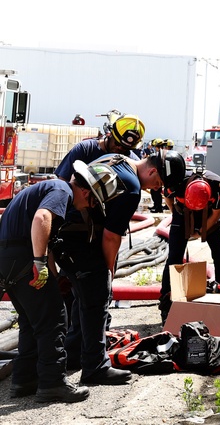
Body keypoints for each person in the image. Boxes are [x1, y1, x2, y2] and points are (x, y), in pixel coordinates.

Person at [54, 150, 184, 385]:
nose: (156, 189)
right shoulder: (132, 187)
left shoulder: (116, 159)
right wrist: (108, 272)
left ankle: (72, 356)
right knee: (96, 299)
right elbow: (111, 237)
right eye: (158, 183)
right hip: (79, 241)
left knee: (79, 298)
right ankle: (95, 368)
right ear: (152, 170)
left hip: (66, 235)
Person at [0, 163, 121, 403]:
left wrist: (53, 275)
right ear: (86, 192)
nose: (89, 207)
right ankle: (53, 383)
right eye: (94, 202)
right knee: (55, 318)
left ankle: (25, 379)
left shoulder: (48, 189)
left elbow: (47, 237)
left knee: (30, 319)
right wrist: (39, 264)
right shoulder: (62, 190)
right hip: (23, 259)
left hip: (9, 260)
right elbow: (41, 218)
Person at [158, 165, 220, 321]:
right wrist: (179, 216)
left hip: (210, 216)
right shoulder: (176, 182)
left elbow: (216, 215)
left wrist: (200, 231)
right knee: (174, 259)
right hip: (182, 213)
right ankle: (166, 304)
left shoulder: (218, 186)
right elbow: (168, 199)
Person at [54, 114, 146, 180]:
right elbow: (63, 181)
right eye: (117, 144)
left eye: (126, 149)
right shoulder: (85, 149)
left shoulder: (132, 161)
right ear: (110, 134)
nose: (120, 149)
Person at [144, 138, 174, 213]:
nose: (155, 148)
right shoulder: (162, 154)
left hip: (159, 176)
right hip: (159, 176)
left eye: (155, 146)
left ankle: (158, 208)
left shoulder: (162, 154)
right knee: (154, 192)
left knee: (156, 192)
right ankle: (156, 206)